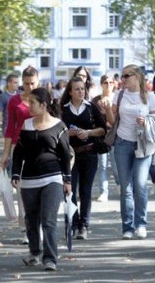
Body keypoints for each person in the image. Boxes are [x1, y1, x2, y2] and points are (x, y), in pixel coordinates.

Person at [11, 87, 72, 271]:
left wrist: (67, 180)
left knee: (48, 219)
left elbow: (64, 155)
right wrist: (15, 173)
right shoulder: (26, 125)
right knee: (31, 219)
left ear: (44, 105)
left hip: (52, 178)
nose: (28, 106)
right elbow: (19, 153)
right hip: (29, 180)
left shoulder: (59, 126)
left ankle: (50, 258)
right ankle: (35, 253)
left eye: (32, 103)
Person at [110, 64, 155, 239]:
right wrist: (106, 110)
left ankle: (141, 223)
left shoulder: (150, 96)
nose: (123, 79)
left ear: (137, 77)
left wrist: (146, 120)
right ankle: (127, 227)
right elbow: (111, 120)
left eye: (126, 76)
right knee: (126, 187)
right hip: (122, 143)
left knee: (140, 185)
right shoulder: (120, 95)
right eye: (122, 76)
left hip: (143, 145)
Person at [60, 77, 107, 240]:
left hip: (89, 153)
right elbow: (56, 130)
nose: (80, 92)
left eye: (82, 89)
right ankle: (73, 223)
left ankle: (84, 226)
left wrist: (88, 132)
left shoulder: (91, 107)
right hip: (70, 155)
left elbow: (103, 129)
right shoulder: (63, 109)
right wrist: (68, 133)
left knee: (86, 191)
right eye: (77, 89)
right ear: (70, 92)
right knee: (69, 191)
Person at [0, 66, 39, 243]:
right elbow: (10, 128)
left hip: (40, 145)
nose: (29, 87)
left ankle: (38, 225)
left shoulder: (44, 99)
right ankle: (25, 228)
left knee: (40, 187)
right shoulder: (14, 101)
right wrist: (6, 154)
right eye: (26, 84)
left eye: (32, 83)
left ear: (37, 82)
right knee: (21, 189)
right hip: (19, 146)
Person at [92, 74, 119, 202]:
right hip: (101, 136)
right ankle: (104, 192)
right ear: (101, 84)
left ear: (114, 84)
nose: (108, 85)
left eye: (110, 82)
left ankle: (119, 184)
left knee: (115, 164)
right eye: (105, 82)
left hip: (115, 134)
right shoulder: (95, 100)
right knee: (102, 165)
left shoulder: (118, 98)